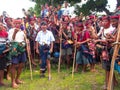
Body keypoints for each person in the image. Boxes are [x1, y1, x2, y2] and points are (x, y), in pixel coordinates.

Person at [9, 19, 27, 88]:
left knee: (21, 65)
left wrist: (26, 42)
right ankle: (13, 82)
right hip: (15, 49)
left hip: (22, 48)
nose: (17, 25)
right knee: (14, 65)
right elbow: (11, 40)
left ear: (20, 24)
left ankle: (17, 79)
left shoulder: (22, 31)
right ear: (13, 24)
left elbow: (23, 40)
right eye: (16, 23)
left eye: (18, 23)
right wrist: (15, 33)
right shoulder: (11, 30)